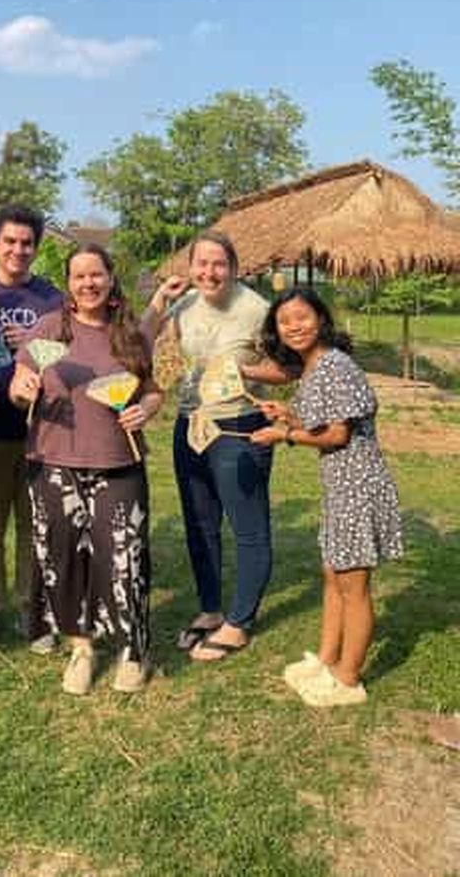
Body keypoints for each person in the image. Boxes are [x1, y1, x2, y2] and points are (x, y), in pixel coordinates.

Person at [10, 243, 163, 695]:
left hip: (118, 462)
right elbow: (20, 390)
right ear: (68, 283)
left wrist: (147, 409)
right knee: (63, 558)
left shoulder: (130, 332)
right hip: (53, 462)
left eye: (96, 274)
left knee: (124, 558)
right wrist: (23, 388)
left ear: (111, 278)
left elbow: (151, 389)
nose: (88, 283)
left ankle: (133, 649)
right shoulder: (49, 330)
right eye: (79, 276)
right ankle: (82, 647)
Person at [250, 287, 403, 707]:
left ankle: (349, 679)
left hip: (359, 488)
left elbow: (339, 434)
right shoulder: (314, 367)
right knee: (334, 578)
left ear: (320, 319)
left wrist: (284, 435)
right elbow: (325, 422)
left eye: (302, 317)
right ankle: (326, 659)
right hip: (340, 487)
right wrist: (289, 416)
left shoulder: (335, 365)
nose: (294, 327)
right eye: (284, 322)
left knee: (353, 587)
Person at [143, 230, 276, 662]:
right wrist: (160, 300)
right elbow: (146, 347)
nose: (209, 272)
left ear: (234, 268)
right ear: (191, 267)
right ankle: (210, 609)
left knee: (248, 527)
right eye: (201, 263)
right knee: (200, 524)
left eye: (219, 264)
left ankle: (238, 624)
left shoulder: (257, 309)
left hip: (237, 428)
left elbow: (286, 364)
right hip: (189, 425)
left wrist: (251, 374)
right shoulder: (183, 305)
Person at [0, 205, 63, 655]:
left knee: (33, 524)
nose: (18, 250)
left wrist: (35, 347)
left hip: (40, 429)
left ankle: (29, 607)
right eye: (10, 242)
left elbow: (72, 350)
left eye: (27, 243)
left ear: (36, 248)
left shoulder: (52, 297)